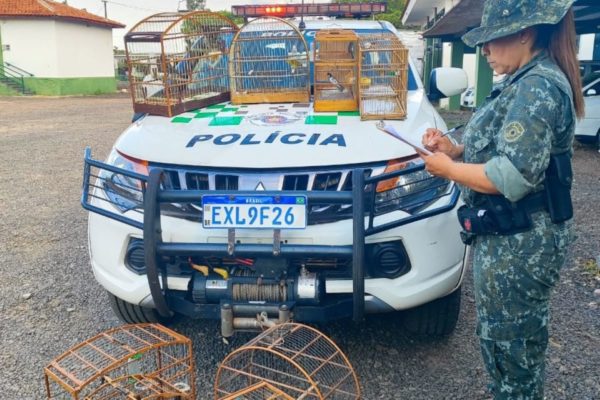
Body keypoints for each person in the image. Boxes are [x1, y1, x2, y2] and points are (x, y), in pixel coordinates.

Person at [420, 1, 584, 398]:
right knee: (503, 344)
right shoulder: (522, 80)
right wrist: (455, 149)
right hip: (509, 237)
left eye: (492, 41)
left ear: (525, 33)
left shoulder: (538, 85)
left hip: (521, 244)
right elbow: (500, 146)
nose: (485, 51)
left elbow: (513, 176)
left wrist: (447, 169)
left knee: (513, 353)